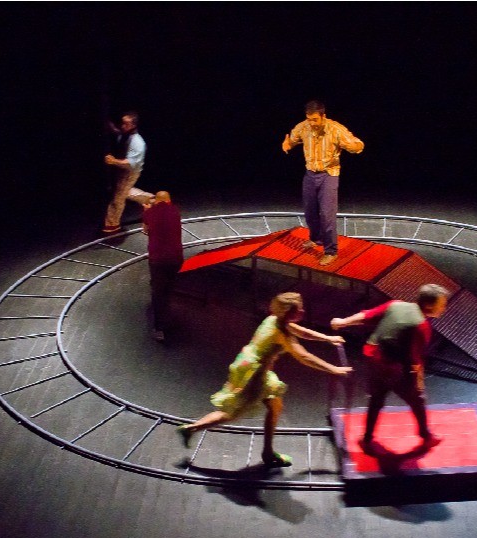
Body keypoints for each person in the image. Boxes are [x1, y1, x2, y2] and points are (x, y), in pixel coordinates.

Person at [177, 293, 352, 467]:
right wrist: (334, 369)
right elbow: (304, 357)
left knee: (275, 405)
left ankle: (268, 452)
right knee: (232, 413)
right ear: (288, 314)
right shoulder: (282, 332)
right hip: (253, 375)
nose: (302, 312)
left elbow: (302, 332)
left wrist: (328, 338)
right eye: (298, 310)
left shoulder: (274, 320)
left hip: (248, 366)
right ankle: (190, 428)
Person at [330, 284, 449, 451]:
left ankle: (367, 438)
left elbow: (367, 316)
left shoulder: (395, 305)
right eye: (442, 305)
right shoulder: (421, 326)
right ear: (429, 305)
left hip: (373, 357)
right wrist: (419, 384)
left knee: (377, 397)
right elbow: (416, 361)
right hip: (392, 367)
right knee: (417, 399)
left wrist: (343, 322)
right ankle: (425, 435)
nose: (444, 308)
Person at [282, 100, 364, 267]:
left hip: (329, 175)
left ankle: (331, 251)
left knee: (327, 214)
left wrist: (353, 146)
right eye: (309, 119)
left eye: (315, 120)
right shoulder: (303, 127)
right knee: (310, 212)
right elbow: (293, 139)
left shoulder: (335, 129)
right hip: (310, 174)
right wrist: (287, 144)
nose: (312, 123)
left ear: (323, 116)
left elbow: (358, 144)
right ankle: (316, 239)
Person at [137, 188, 183, 341]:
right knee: (168, 287)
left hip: (158, 260)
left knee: (158, 294)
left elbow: (145, 231)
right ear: (169, 201)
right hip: (176, 258)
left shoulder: (149, 213)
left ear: (156, 201)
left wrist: (146, 210)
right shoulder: (175, 211)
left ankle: (159, 328)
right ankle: (168, 304)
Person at [102, 111, 147, 234]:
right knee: (124, 192)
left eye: (126, 124)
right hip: (122, 171)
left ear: (133, 125)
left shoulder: (138, 143)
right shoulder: (125, 135)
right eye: (122, 123)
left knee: (118, 198)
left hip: (129, 173)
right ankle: (150, 200)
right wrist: (109, 125)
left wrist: (113, 161)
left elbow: (129, 163)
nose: (122, 126)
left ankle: (112, 224)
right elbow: (118, 133)